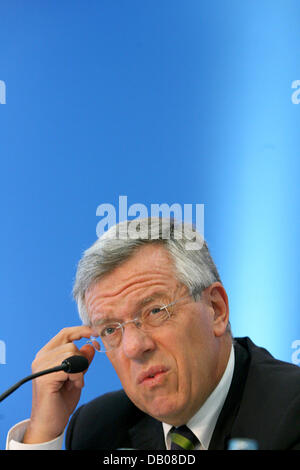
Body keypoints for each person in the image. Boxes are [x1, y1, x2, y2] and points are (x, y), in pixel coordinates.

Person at [6, 218, 300, 450]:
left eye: (155, 311)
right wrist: (42, 433)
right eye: (110, 330)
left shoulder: (292, 414)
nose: (134, 347)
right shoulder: (99, 428)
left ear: (216, 310)